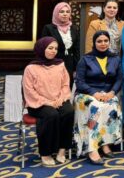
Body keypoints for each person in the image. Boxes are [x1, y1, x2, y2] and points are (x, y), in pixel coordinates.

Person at [22, 37, 74, 166]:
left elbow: (66, 85)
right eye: (50, 48)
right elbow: (29, 91)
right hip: (38, 103)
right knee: (51, 115)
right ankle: (45, 153)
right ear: (41, 49)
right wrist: (48, 102)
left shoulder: (60, 64)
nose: (53, 51)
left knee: (69, 111)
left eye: (56, 48)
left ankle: (62, 149)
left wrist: (61, 99)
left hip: (58, 100)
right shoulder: (31, 68)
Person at [74, 31, 122, 164]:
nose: (103, 44)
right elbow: (79, 81)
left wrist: (112, 92)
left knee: (112, 104)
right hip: (86, 94)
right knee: (96, 107)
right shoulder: (85, 59)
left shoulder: (115, 58)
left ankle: (105, 143)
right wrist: (94, 93)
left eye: (106, 41)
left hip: (107, 94)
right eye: (99, 41)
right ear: (94, 43)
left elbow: (119, 79)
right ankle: (92, 148)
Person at [41, 2, 80, 87]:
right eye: (61, 12)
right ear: (56, 13)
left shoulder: (74, 28)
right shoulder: (48, 28)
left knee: (67, 89)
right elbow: (42, 48)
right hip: (53, 63)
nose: (65, 14)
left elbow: (76, 49)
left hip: (69, 64)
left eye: (67, 12)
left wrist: (76, 68)